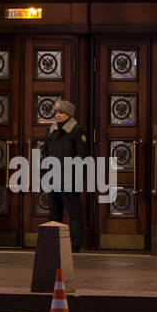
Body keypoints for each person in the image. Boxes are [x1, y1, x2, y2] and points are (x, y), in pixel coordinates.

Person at [42, 99, 88, 252]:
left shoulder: (76, 132)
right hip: (54, 177)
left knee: (74, 213)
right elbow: (45, 153)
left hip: (69, 178)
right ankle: (53, 244)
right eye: (56, 112)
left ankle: (75, 245)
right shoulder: (51, 131)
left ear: (69, 114)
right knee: (54, 212)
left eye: (61, 112)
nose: (58, 114)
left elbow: (81, 157)